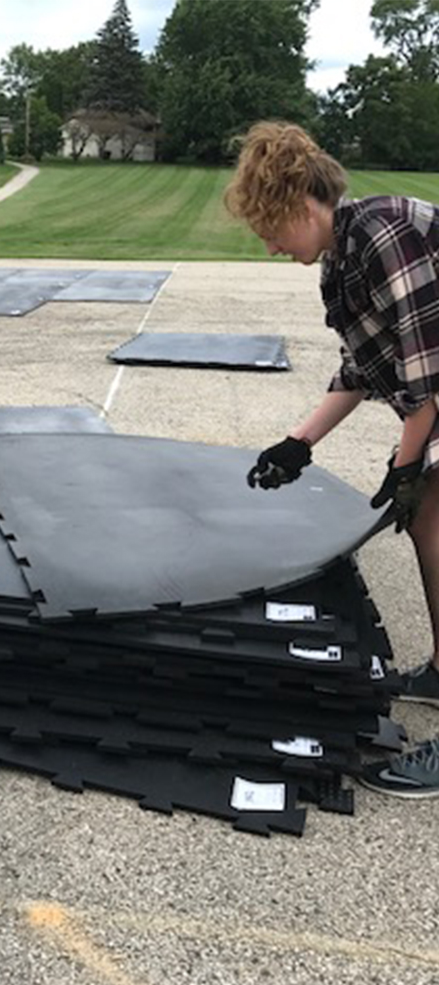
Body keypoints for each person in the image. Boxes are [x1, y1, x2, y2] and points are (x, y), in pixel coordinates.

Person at [224, 120, 439, 798]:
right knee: (429, 515)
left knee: (433, 509)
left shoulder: (383, 233)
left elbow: (427, 371)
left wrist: (407, 468)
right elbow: (361, 366)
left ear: (304, 205)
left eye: (272, 229)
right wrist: (299, 443)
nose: (269, 246)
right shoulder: (340, 264)